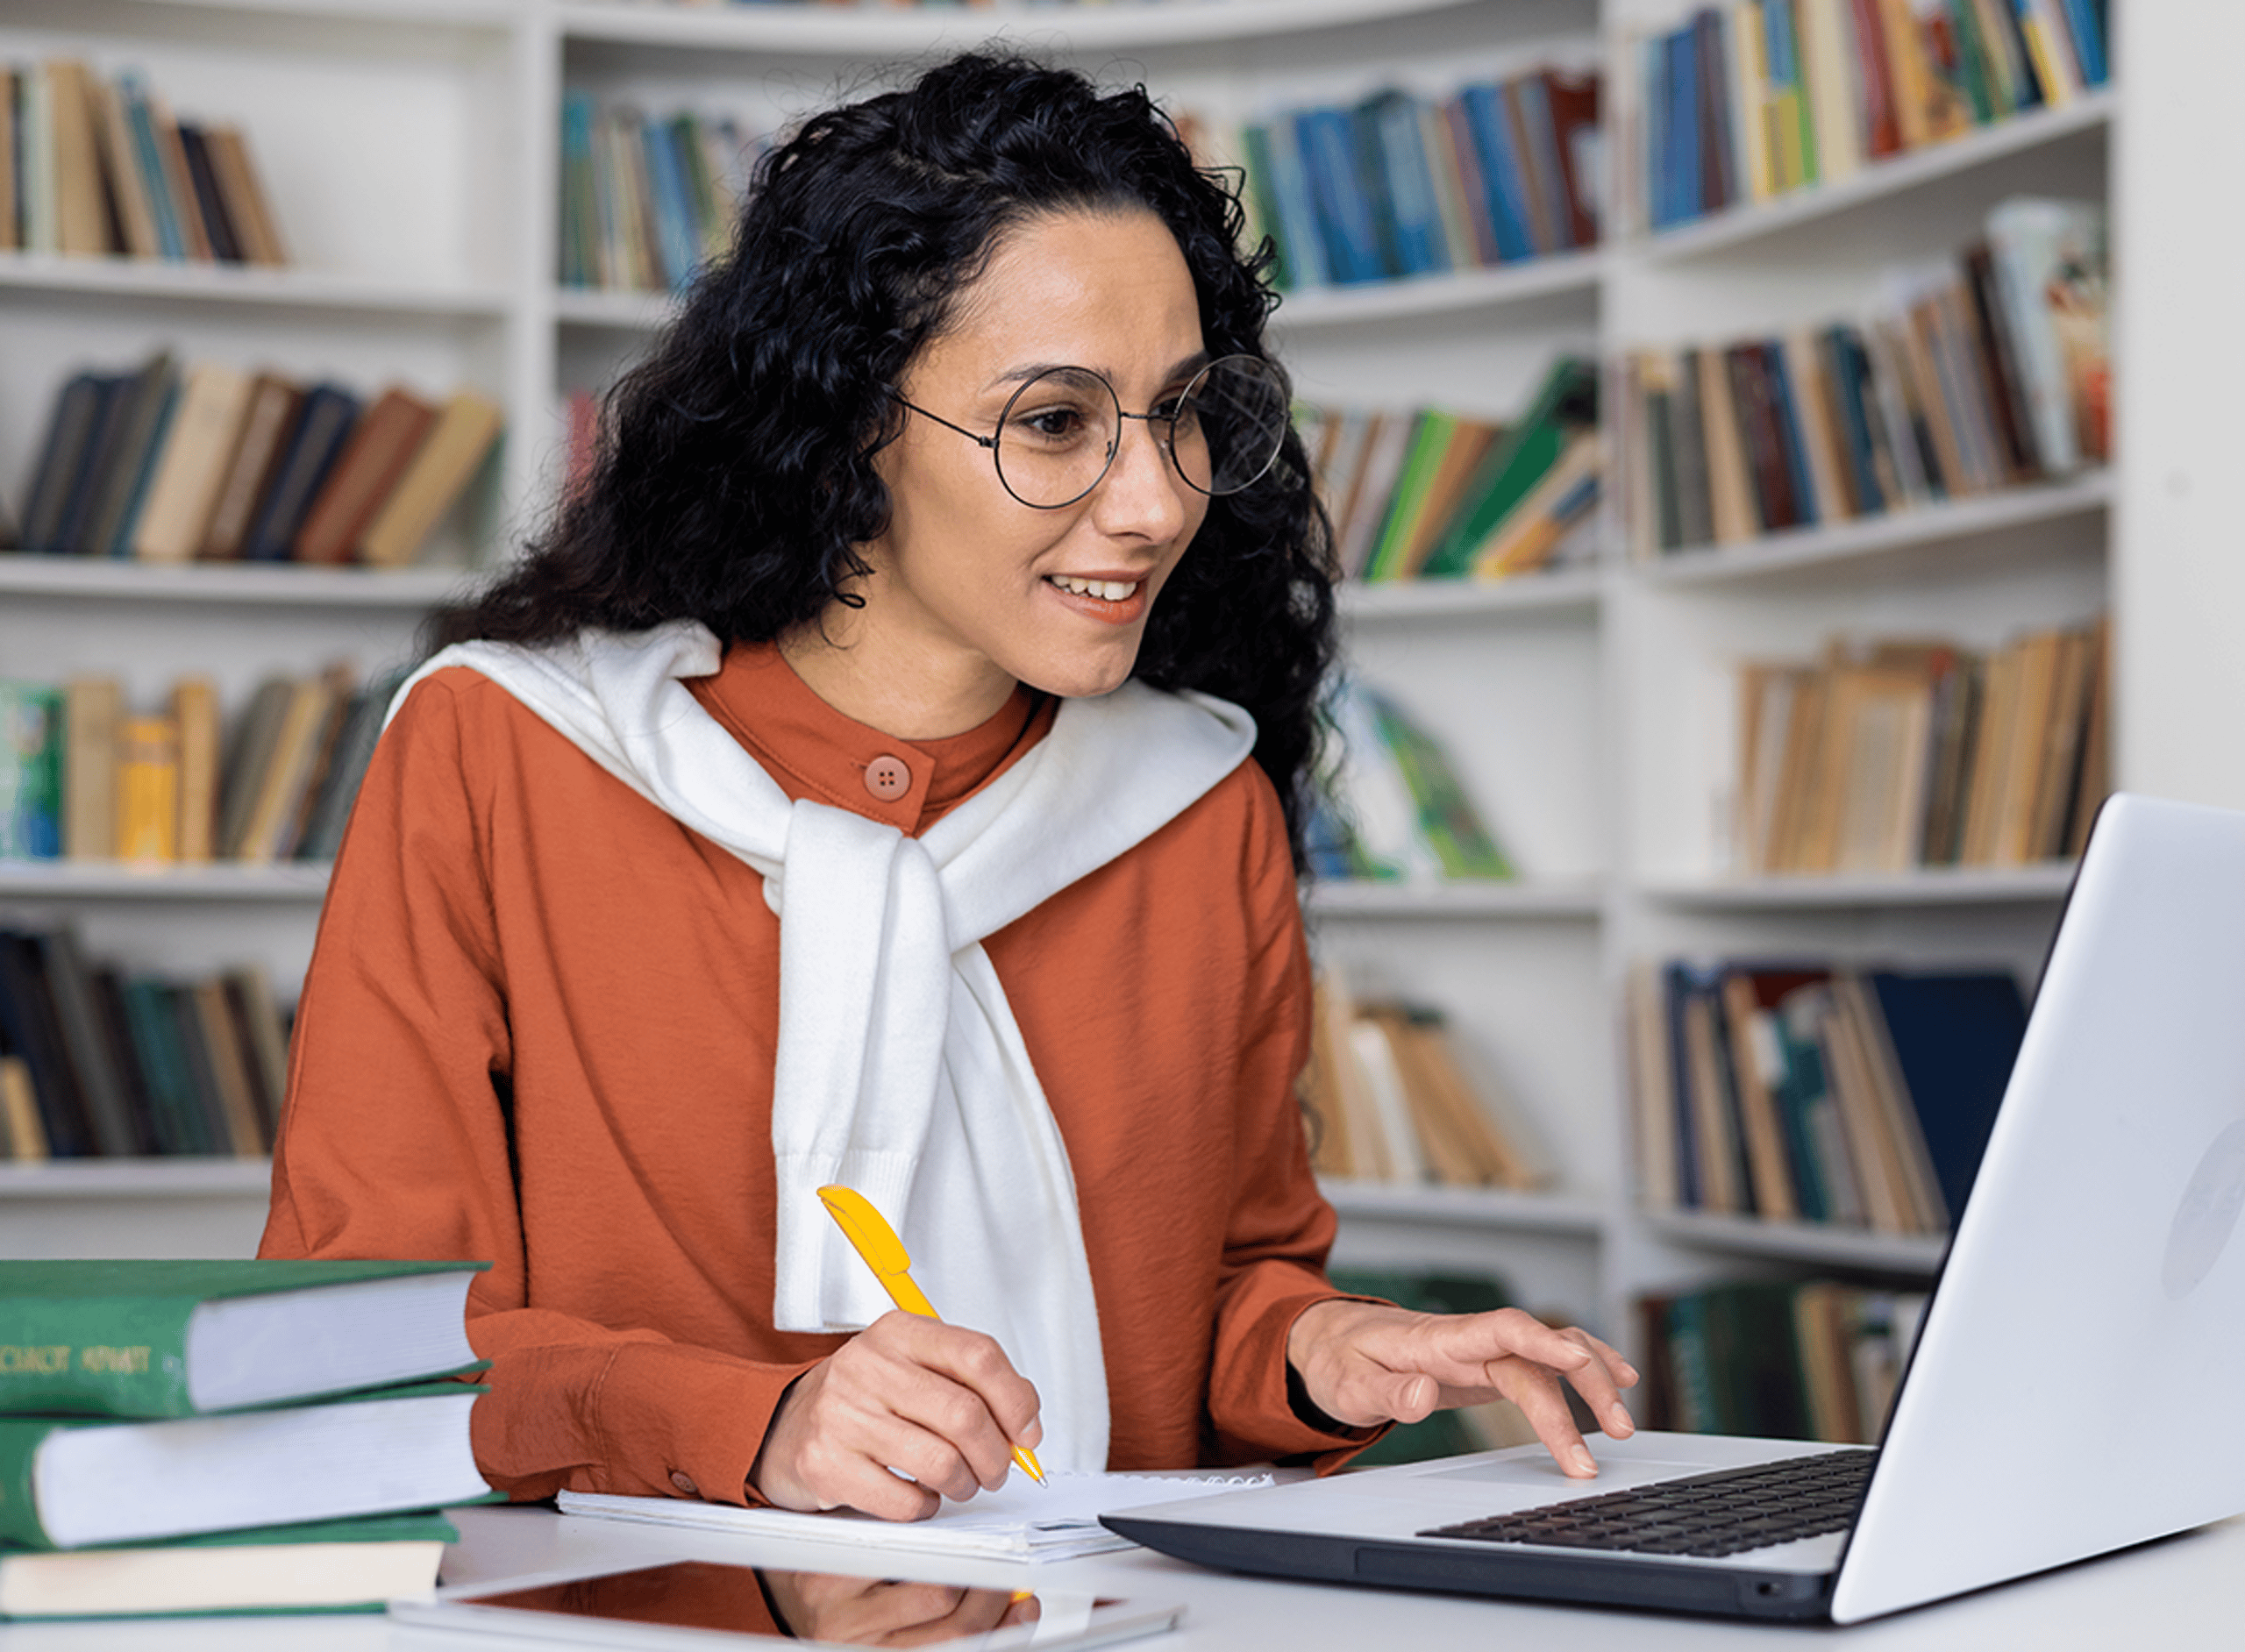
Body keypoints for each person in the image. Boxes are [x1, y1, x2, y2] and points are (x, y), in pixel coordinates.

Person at [259, 51, 1636, 1523]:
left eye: (1182, 413)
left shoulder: (1195, 802)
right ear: (852, 424)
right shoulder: (502, 754)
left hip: (1102, 1614)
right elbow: (357, 1342)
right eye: (1055, 423)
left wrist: (1328, 1350)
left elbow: (1218, 1289)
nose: (1160, 498)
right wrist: (756, 1422)